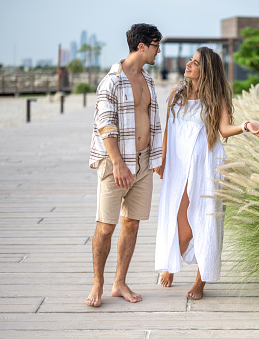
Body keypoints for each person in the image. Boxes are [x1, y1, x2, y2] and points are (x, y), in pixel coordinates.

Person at [154, 46, 259, 300]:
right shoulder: (177, 93)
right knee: (177, 216)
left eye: (195, 63)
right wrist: (161, 158)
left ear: (206, 70)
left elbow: (224, 130)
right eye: (190, 61)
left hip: (206, 164)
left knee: (204, 219)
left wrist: (246, 126)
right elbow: (168, 130)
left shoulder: (217, 99)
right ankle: (172, 263)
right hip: (178, 165)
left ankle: (200, 281)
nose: (188, 65)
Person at [86, 23, 163, 307]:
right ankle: (98, 282)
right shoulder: (112, 81)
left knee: (131, 224)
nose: (159, 51)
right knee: (106, 227)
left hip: (142, 163)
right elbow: (105, 124)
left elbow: (152, 123)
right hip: (116, 162)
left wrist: (156, 160)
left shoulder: (149, 81)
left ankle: (120, 282)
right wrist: (117, 162)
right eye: (156, 45)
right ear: (142, 46)